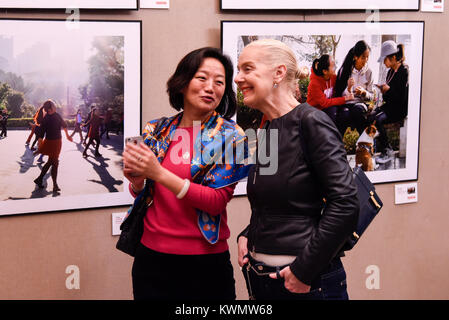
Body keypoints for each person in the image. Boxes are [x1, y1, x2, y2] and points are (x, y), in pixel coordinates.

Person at [122, 47, 251, 300]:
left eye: (219, 82)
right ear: (182, 83)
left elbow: (215, 203)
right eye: (202, 78)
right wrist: (138, 182)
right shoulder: (156, 129)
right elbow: (145, 193)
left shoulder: (232, 136)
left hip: (205, 266)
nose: (210, 87)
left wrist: (158, 173)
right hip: (151, 260)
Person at [234, 39, 359, 300]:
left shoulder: (312, 122)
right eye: (239, 70)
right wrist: (248, 234)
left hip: (305, 285)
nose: (237, 78)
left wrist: (303, 271)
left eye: (247, 69)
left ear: (278, 73)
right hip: (261, 280)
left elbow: (346, 203)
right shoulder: (267, 130)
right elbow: (271, 202)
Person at [369, 40, 409, 162]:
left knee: (378, 119)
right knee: (371, 116)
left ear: (392, 57)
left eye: (385, 59)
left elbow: (402, 98)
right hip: (390, 106)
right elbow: (388, 98)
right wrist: (383, 91)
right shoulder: (390, 72)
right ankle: (377, 149)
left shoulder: (404, 71)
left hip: (399, 109)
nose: (384, 62)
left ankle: (388, 150)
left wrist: (389, 90)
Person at [307, 54, 354, 136]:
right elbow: (324, 103)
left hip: (328, 109)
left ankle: (337, 140)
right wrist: (345, 99)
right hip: (314, 112)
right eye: (333, 67)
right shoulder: (314, 83)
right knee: (332, 111)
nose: (335, 68)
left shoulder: (332, 77)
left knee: (344, 113)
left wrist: (349, 87)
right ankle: (328, 140)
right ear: (325, 71)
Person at [334, 40, 374, 134]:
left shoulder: (369, 72)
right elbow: (339, 92)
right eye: (363, 57)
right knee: (344, 115)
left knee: (358, 111)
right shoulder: (344, 71)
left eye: (367, 57)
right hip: (346, 103)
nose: (366, 60)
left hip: (360, 104)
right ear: (355, 57)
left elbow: (372, 95)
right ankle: (337, 145)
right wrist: (348, 88)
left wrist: (364, 92)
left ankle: (365, 144)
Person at [33, 100, 73, 193]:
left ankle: (40, 179)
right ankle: (54, 185)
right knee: (54, 163)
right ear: (50, 109)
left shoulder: (57, 115)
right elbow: (41, 133)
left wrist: (67, 136)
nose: (56, 106)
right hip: (51, 143)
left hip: (58, 142)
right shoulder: (46, 118)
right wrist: (40, 145)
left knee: (51, 162)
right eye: (54, 105)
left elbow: (64, 125)